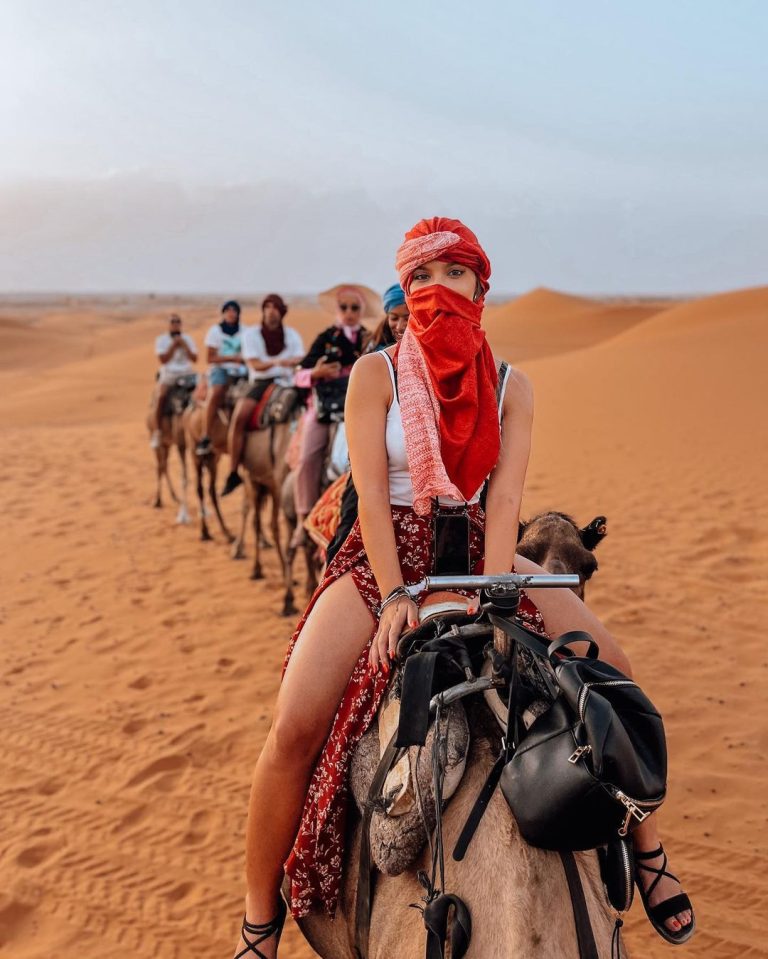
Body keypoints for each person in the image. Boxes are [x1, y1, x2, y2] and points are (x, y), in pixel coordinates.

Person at [233, 218, 693, 958]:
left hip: (484, 550)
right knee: (293, 725)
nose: (437, 290)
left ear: (482, 288)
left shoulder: (513, 387)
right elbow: (375, 497)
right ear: (406, 292)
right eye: (421, 277)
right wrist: (394, 597)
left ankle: (650, 851)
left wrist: (484, 587)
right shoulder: (372, 375)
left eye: (454, 275)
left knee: (613, 668)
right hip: (382, 558)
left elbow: (504, 503)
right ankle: (259, 921)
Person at [324, 282, 409, 563]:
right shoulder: (370, 354)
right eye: (394, 317)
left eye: (407, 316)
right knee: (349, 525)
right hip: (369, 441)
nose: (400, 324)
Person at [289, 284, 378, 547]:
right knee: (308, 456)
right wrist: (316, 374)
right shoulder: (325, 338)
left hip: (361, 407)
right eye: (344, 307)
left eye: (354, 308)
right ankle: (301, 517)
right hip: (327, 409)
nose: (349, 313)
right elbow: (299, 373)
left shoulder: (368, 339)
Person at [221, 294, 304, 496]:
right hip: (260, 382)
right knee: (239, 418)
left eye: (275, 307)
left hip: (288, 381)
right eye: (267, 307)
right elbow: (255, 363)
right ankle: (233, 471)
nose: (270, 310)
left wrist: (288, 363)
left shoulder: (292, 335)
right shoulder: (252, 334)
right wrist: (279, 363)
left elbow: (301, 356)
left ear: (281, 312)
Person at [196, 301, 247, 457]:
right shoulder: (215, 332)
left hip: (241, 370)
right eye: (228, 311)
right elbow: (210, 358)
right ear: (223, 313)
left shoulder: (246, 331)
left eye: (234, 311)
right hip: (221, 370)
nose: (231, 313)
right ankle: (206, 434)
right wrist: (232, 358)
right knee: (217, 392)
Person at [149, 313, 198, 449]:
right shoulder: (162, 340)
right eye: (172, 322)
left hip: (187, 373)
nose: (175, 324)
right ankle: (157, 432)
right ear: (169, 324)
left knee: (202, 396)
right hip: (169, 374)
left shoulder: (188, 339)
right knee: (161, 397)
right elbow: (163, 360)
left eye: (178, 322)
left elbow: (194, 358)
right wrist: (173, 345)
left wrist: (184, 345)